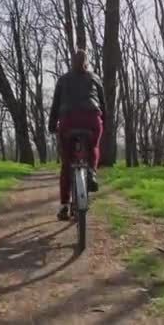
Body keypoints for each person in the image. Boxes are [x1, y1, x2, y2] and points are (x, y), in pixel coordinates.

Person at [48, 49, 105, 221]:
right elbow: (104, 106)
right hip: (91, 119)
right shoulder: (95, 78)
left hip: (68, 121)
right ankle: (91, 172)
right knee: (93, 146)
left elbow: (55, 105)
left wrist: (52, 125)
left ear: (71, 62)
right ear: (86, 62)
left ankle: (65, 205)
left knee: (66, 163)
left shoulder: (63, 80)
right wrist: (104, 124)